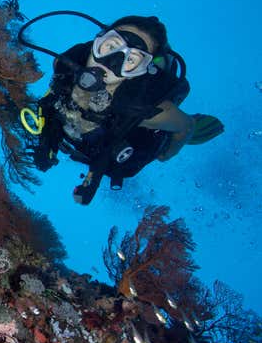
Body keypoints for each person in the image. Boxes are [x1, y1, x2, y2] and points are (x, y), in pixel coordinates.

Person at [22, 14, 223, 205]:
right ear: (97, 42)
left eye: (131, 60)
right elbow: (50, 99)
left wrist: (166, 154)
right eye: (111, 47)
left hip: (124, 150)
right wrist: (48, 140)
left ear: (140, 71)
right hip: (80, 138)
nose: (110, 63)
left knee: (142, 151)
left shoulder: (144, 110)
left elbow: (186, 126)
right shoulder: (65, 64)